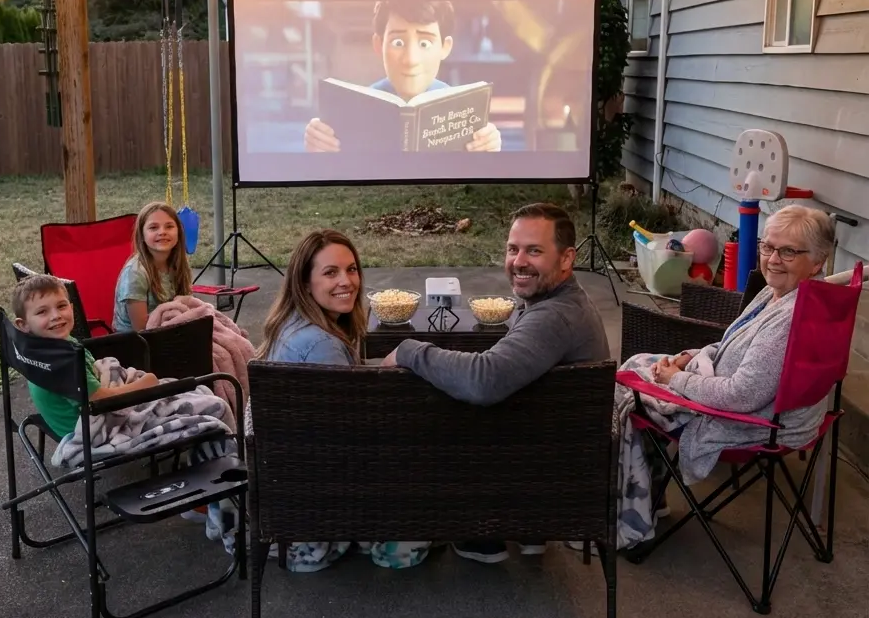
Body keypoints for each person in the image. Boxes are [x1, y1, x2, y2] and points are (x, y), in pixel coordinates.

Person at [380, 202, 611, 564]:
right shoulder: (561, 303)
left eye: (534, 251)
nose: (519, 261)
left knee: (430, 408)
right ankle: (527, 530)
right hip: (558, 446)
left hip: (539, 469)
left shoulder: (554, 317)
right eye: (513, 248)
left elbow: (483, 380)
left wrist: (410, 351)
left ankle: (479, 531)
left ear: (566, 259)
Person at [612, 205, 837, 550]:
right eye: (768, 246)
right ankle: (649, 498)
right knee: (640, 364)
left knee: (625, 393)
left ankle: (635, 517)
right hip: (748, 400)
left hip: (744, 420)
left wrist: (676, 380)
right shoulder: (785, 293)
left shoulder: (789, 319)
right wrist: (689, 357)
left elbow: (741, 395)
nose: (773, 259)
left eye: (789, 251)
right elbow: (735, 339)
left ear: (818, 261)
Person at [254, 229, 433, 571]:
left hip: (291, 482)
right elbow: (355, 438)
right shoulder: (322, 344)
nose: (347, 281)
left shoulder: (291, 324)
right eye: (331, 272)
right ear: (305, 282)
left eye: (352, 269)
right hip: (321, 494)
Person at [304, 0, 502, 153]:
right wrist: (319, 144)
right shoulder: (354, 108)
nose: (411, 59)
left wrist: (488, 147)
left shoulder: (465, 111)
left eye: (425, 43)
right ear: (378, 45)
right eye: (398, 42)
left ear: (445, 47)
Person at [12, 274, 161, 440]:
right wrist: (147, 383)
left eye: (61, 306)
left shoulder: (41, 349)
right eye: (42, 312)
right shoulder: (62, 363)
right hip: (88, 432)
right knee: (180, 394)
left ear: (71, 307)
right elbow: (100, 401)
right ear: (23, 325)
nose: (56, 316)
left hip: (72, 418)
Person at [113, 202, 192, 332]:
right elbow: (141, 329)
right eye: (153, 227)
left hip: (172, 334)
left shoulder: (178, 264)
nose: (162, 232)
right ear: (142, 236)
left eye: (169, 226)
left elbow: (187, 307)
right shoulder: (136, 273)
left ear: (179, 232)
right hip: (134, 344)